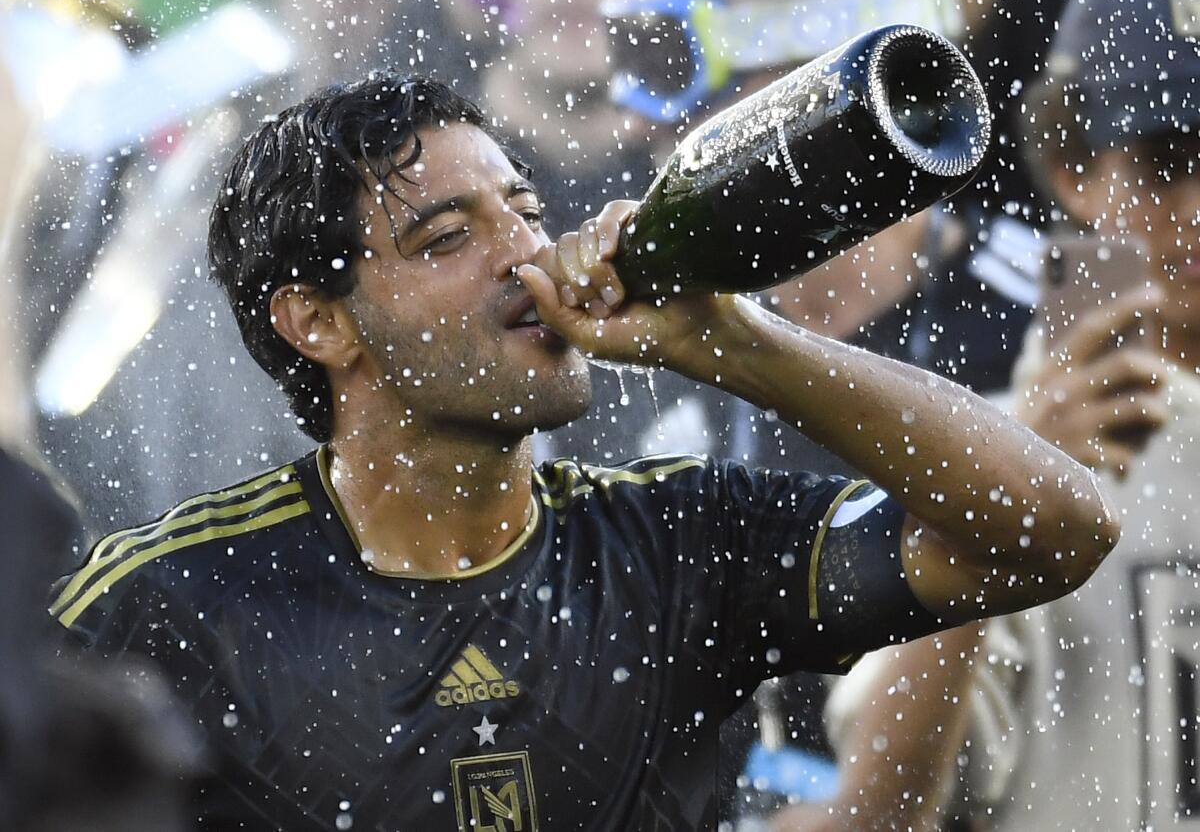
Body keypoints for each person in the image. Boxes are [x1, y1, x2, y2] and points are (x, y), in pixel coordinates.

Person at [51, 73, 1116, 830]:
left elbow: (1053, 531)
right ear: (317, 323)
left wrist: (735, 342)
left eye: (525, 209)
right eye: (449, 238)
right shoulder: (169, 607)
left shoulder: (677, 543)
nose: (525, 254)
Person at [777, 0, 1200, 831]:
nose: (1199, 207)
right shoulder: (982, 454)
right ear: (1076, 171)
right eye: (1166, 161)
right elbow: (883, 805)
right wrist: (1006, 498)